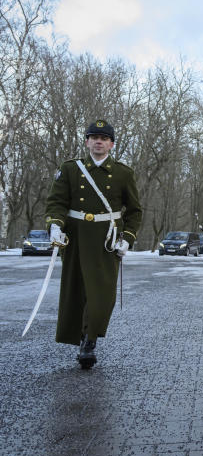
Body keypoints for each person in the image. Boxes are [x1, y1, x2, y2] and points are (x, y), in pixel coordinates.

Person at [44, 120, 142, 369]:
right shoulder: (70, 169)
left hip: (106, 240)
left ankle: (90, 338)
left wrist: (127, 238)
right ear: (87, 142)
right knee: (76, 291)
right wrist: (55, 224)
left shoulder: (123, 173)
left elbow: (134, 211)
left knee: (102, 296)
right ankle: (81, 338)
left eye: (103, 137)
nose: (98, 141)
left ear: (111, 143)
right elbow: (56, 201)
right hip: (76, 237)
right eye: (93, 137)